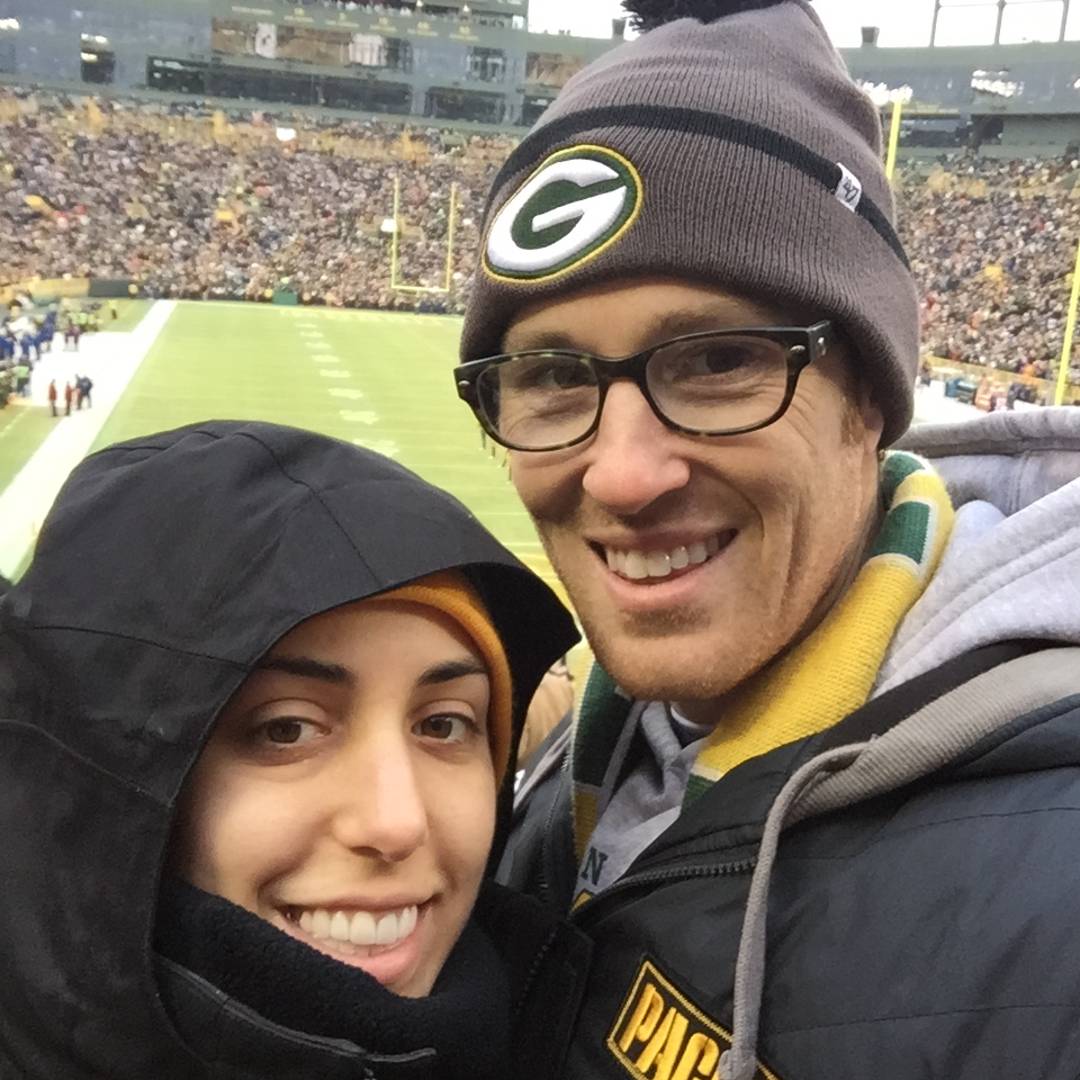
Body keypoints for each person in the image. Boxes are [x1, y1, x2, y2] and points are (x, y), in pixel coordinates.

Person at [454, 1, 1080, 1077]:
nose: (623, 473)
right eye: (555, 378)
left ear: (870, 405)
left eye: (716, 362)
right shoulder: (592, 747)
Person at [0, 421, 587, 1080]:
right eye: (287, 729)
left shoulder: (561, 1029)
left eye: (444, 725)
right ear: (102, 775)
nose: (396, 823)